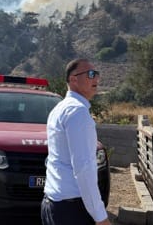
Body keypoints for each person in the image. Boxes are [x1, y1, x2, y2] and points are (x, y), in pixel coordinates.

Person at [42, 58, 110, 225]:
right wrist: (101, 217)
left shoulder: (59, 109)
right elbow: (83, 168)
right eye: (91, 74)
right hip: (71, 209)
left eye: (97, 74)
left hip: (52, 203)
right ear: (73, 79)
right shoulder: (77, 112)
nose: (96, 79)